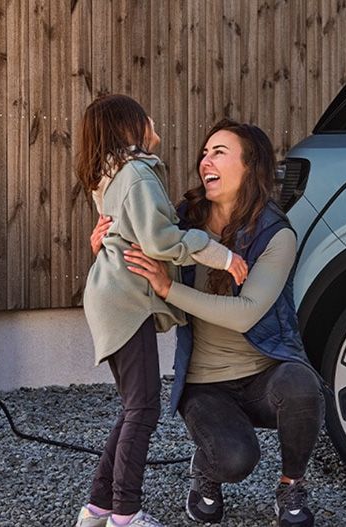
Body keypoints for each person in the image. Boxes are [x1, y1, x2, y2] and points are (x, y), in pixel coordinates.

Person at [121, 119, 325, 527]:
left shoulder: (275, 234)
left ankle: (291, 486)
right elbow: (135, 246)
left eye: (219, 152)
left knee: (303, 386)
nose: (204, 161)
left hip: (263, 377)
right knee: (235, 461)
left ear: (250, 166)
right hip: (205, 384)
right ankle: (208, 467)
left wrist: (170, 290)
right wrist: (106, 242)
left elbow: (247, 311)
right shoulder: (184, 219)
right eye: (204, 152)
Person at [73, 95, 248, 527]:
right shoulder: (137, 174)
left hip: (114, 299)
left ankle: (97, 510)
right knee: (143, 410)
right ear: (130, 127)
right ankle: (126, 515)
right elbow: (162, 240)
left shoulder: (114, 176)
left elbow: (125, 234)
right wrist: (221, 256)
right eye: (144, 114)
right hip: (124, 301)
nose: (153, 119)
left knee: (135, 407)